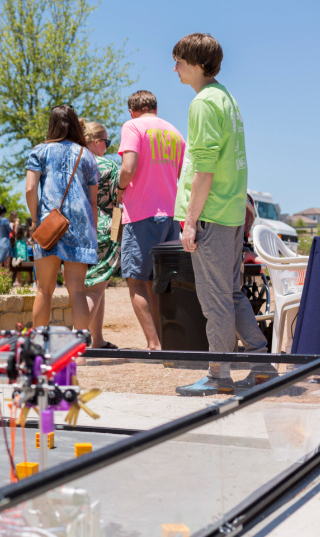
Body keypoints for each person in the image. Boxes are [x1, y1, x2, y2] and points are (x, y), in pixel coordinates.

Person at [171, 33, 269, 396]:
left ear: (195, 65)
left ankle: (218, 374)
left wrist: (191, 221)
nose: (175, 68)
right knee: (231, 294)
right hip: (229, 211)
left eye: (179, 61)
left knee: (215, 301)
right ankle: (261, 365)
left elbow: (205, 169)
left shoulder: (203, 104)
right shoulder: (227, 99)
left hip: (211, 214)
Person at [115, 90, 185, 351]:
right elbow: (183, 174)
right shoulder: (174, 132)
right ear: (155, 107)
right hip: (170, 215)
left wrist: (120, 188)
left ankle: (153, 344)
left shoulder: (132, 126)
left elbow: (128, 167)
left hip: (141, 214)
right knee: (160, 283)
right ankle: (166, 341)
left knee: (136, 281)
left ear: (132, 111)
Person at [25, 105, 99, 350]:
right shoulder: (87, 155)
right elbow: (93, 200)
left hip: (49, 224)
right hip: (80, 227)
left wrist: (35, 219)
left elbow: (29, 189)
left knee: (44, 289)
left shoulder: (40, 151)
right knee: (77, 290)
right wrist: (93, 230)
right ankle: (78, 349)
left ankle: (38, 347)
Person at [80, 120, 122, 349]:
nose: (107, 145)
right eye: (106, 141)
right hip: (105, 227)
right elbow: (119, 202)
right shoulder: (108, 166)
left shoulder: (75, 164)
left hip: (77, 229)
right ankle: (74, 344)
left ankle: (97, 340)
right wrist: (117, 233)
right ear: (96, 142)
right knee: (96, 288)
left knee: (95, 285)